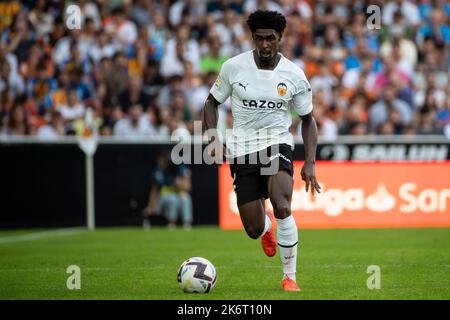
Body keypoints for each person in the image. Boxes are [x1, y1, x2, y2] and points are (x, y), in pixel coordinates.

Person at [202, 10, 321, 292]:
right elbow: (210, 103)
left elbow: (308, 119)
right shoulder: (233, 67)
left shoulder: (293, 74)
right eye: (259, 39)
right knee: (253, 229)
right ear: (252, 38)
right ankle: (267, 228)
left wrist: (311, 162)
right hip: (242, 150)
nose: (265, 45)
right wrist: (212, 138)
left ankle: (289, 277)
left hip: (276, 144)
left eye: (270, 39)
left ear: (280, 37)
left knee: (282, 204)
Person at [143, 152, 193, 230]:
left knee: (185, 198)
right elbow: (154, 190)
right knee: (173, 198)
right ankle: (171, 223)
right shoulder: (158, 171)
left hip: (178, 195)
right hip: (162, 199)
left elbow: (188, 187)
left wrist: (180, 186)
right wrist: (151, 205)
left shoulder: (180, 168)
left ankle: (187, 224)